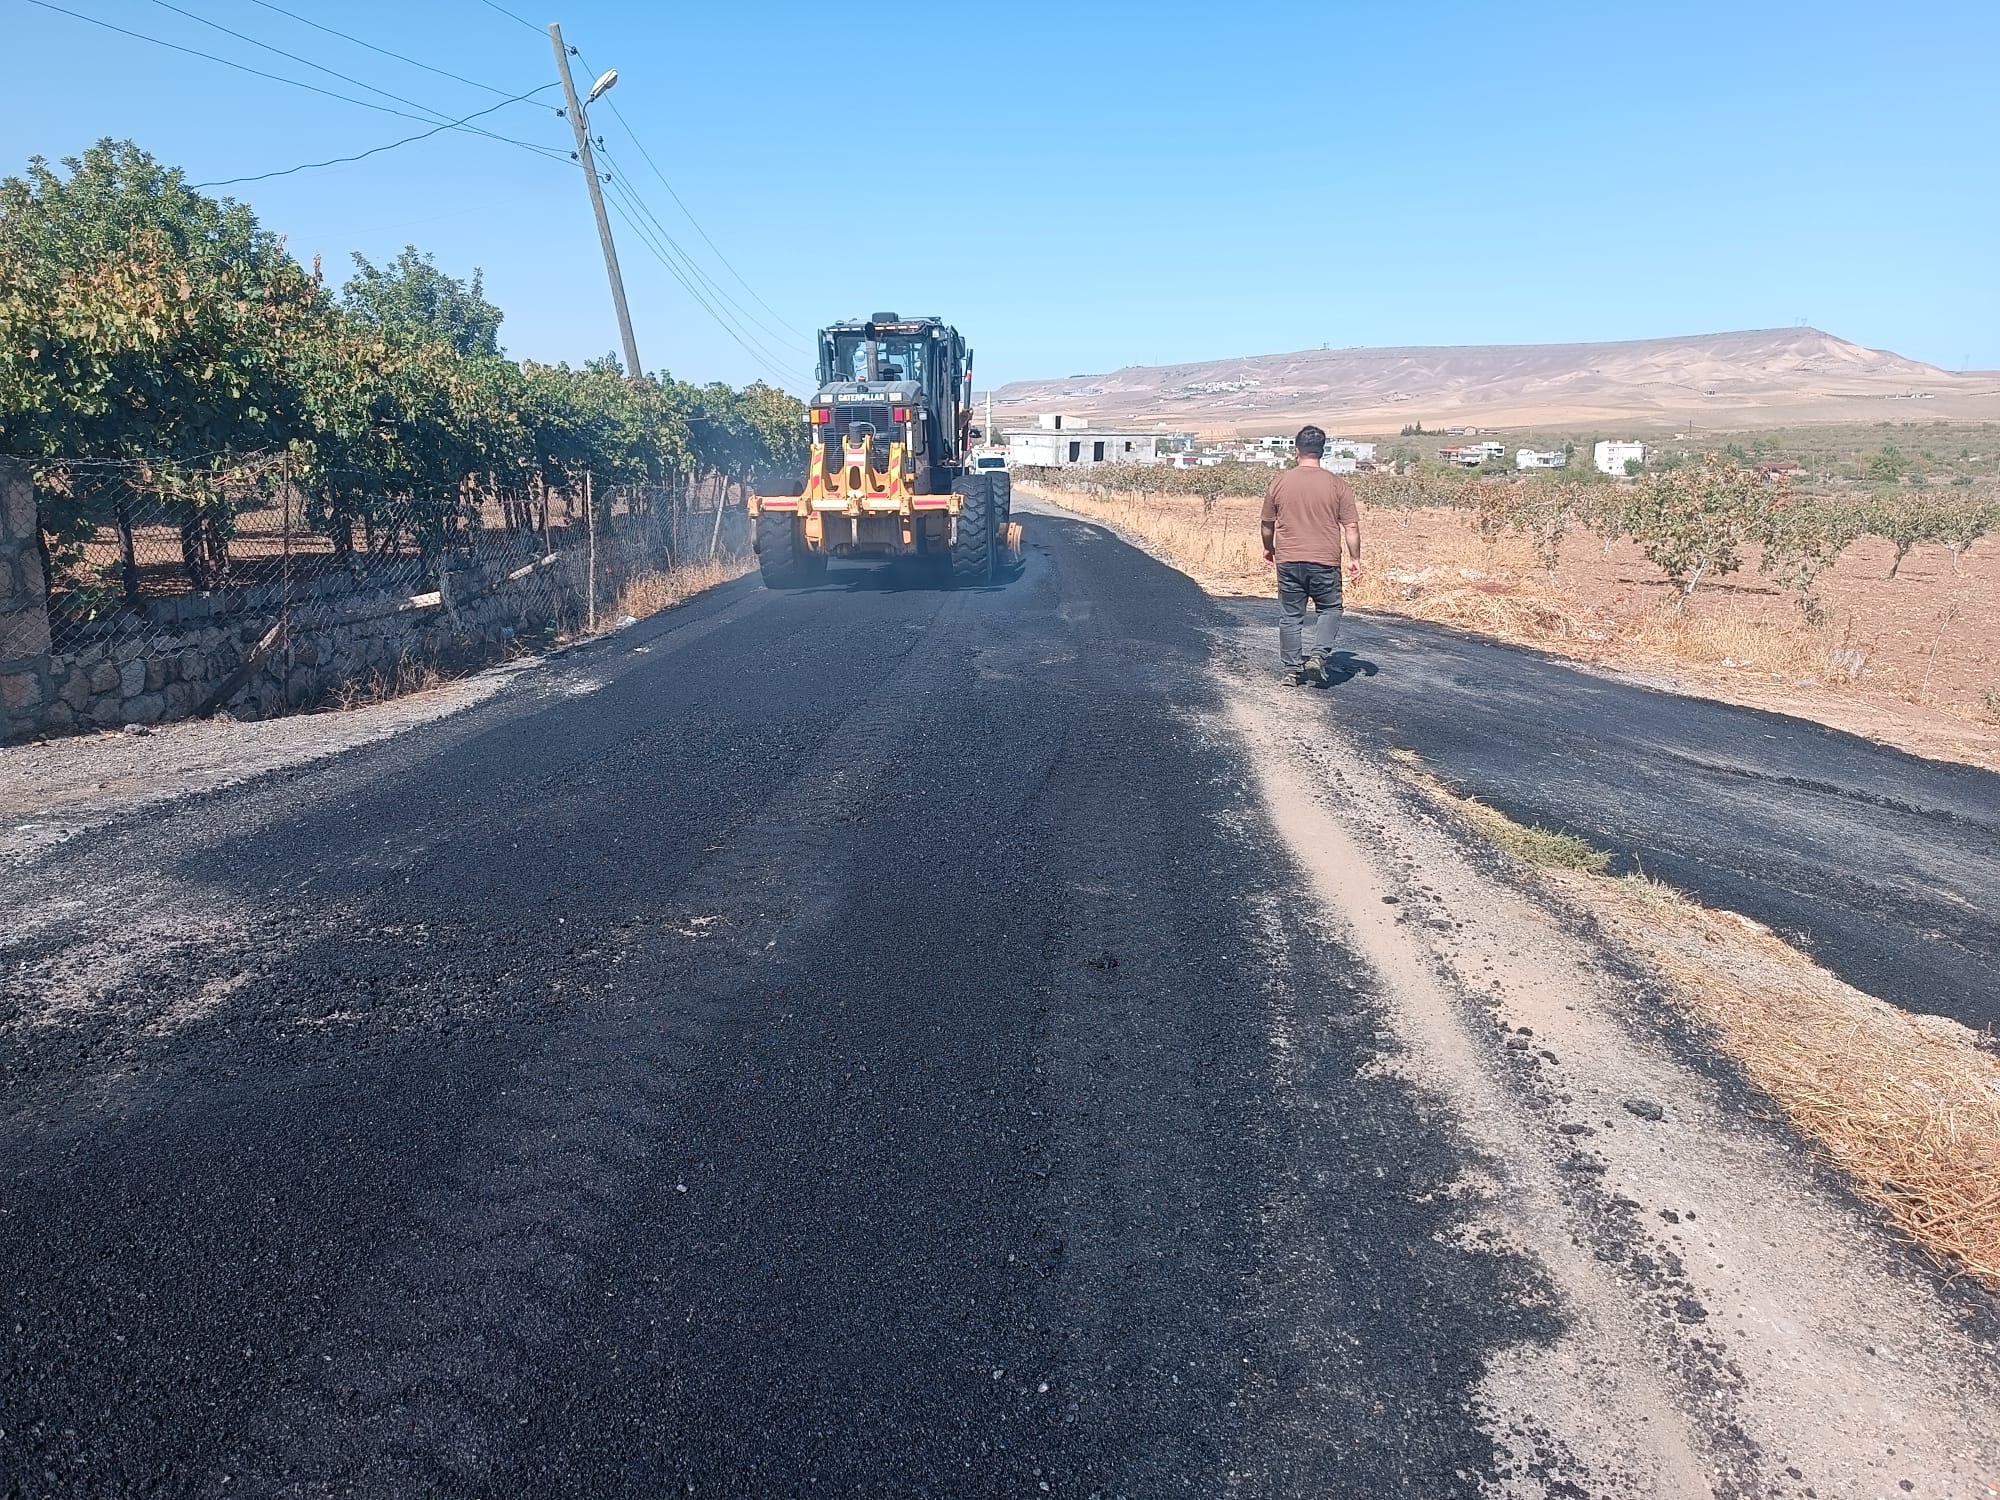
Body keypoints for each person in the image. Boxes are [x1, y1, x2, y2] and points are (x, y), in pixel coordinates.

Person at [1259, 425, 1362, 686]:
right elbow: (1350, 526)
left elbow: (1267, 523)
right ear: (1322, 451)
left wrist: (1269, 548)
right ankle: (1318, 655)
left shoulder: (1280, 482)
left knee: (1291, 616)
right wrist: (1354, 558)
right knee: (1330, 608)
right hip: (1325, 560)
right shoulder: (1338, 485)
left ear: (1297, 452)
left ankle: (1292, 671)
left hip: (1289, 558)